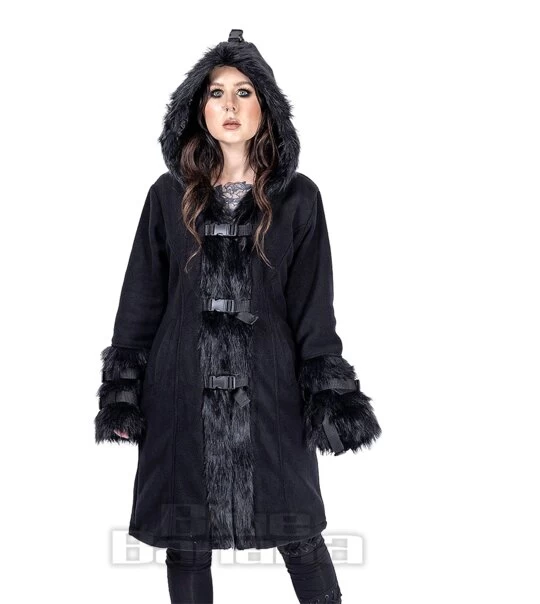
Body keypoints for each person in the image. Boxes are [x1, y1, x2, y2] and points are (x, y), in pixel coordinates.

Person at [94, 29, 382, 603]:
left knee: (299, 530)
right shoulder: (167, 195)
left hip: (271, 388)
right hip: (180, 387)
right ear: (198, 109)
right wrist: (123, 390)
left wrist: (329, 393)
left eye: (244, 92)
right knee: (185, 540)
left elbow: (313, 304)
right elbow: (141, 298)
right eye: (216, 93)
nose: (229, 105)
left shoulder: (299, 197)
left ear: (265, 108)